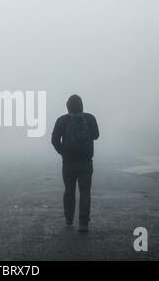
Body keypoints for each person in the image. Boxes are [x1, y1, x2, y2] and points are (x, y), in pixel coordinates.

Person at [51, 95, 99, 233]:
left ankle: (69, 218)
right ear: (82, 105)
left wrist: (63, 152)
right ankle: (83, 223)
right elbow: (96, 135)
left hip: (68, 162)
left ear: (68, 106)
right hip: (86, 161)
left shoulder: (62, 120)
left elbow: (54, 140)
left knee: (69, 190)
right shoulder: (90, 118)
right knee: (85, 192)